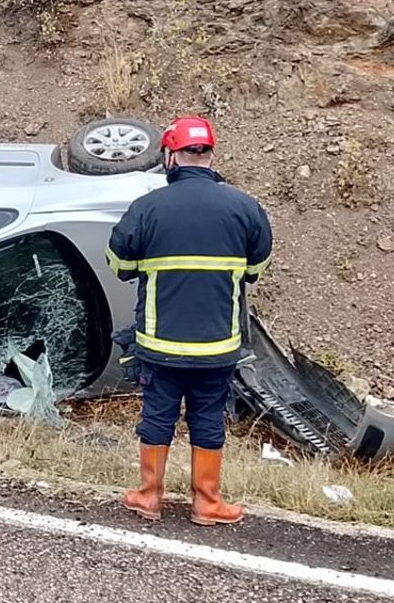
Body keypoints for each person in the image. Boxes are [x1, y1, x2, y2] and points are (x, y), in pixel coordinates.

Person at [106, 115, 272, 526]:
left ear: (170, 156)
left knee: (157, 416)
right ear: (210, 155)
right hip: (218, 345)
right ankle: (207, 503)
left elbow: (119, 264)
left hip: (160, 344)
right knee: (208, 418)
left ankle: (148, 497)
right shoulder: (245, 208)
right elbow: (255, 270)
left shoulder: (147, 208)